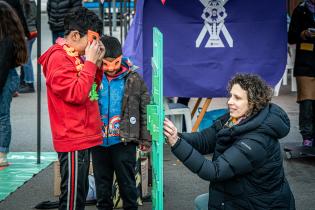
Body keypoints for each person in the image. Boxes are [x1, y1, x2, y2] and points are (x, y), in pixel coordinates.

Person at [164, 73, 296, 210]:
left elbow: (213, 171)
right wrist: (176, 135)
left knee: (203, 203)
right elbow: (204, 140)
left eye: (237, 98)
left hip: (261, 205)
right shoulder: (236, 118)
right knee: (202, 202)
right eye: (231, 95)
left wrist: (177, 143)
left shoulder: (257, 141)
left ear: (253, 103)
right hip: (242, 195)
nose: (230, 102)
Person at [38, 7, 104, 210]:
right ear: (75, 35)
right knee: (72, 199)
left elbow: (91, 89)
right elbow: (76, 94)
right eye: (92, 39)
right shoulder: (58, 58)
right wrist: (91, 63)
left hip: (81, 134)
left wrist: (97, 65)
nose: (94, 44)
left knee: (79, 193)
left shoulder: (75, 56)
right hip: (73, 137)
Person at [91, 35, 151, 210]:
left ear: (121, 58)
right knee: (102, 187)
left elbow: (144, 108)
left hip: (124, 141)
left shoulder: (133, 78)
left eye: (115, 63)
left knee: (127, 184)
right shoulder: (91, 75)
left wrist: (145, 138)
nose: (111, 68)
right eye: (106, 63)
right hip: (98, 141)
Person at [0, 0, 28, 166]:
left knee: (2, 116)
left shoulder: (6, 40)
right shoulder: (11, 36)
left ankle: (2, 153)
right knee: (3, 116)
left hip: (5, 77)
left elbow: (2, 67)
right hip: (8, 75)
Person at [289, 0, 315, 147]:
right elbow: (291, 36)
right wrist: (304, 33)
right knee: (306, 102)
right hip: (305, 63)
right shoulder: (300, 10)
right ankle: (307, 137)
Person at [19, 0, 37, 93]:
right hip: (32, 31)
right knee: (25, 58)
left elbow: (22, 19)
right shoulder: (32, 2)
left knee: (25, 58)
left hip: (27, 32)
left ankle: (29, 83)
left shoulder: (24, 3)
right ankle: (23, 81)